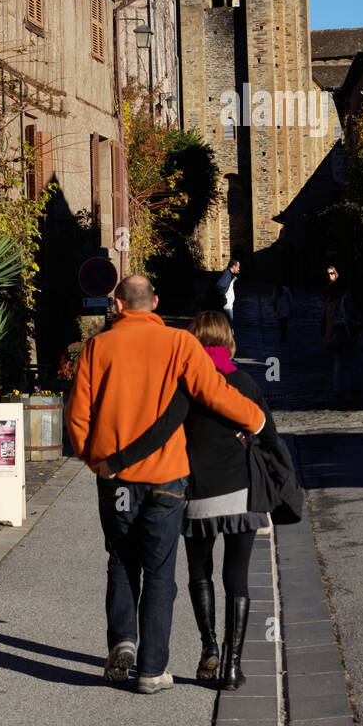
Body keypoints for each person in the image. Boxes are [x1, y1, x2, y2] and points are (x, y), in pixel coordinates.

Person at [64, 274, 266, 696]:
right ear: (154, 303)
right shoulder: (179, 344)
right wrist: (256, 419)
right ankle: (152, 670)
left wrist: (93, 458)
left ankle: (123, 640)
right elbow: (213, 392)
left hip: (115, 478)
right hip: (167, 476)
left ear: (118, 305)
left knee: (120, 560)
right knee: (159, 573)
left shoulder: (97, 348)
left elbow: (77, 415)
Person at [102, 310, 282, 691]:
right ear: (229, 340)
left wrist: (120, 462)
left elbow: (162, 430)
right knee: (238, 580)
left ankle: (209, 649)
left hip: (197, 495)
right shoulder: (246, 382)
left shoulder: (184, 388)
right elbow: (269, 435)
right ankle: (233, 667)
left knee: (200, 574)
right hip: (241, 496)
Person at [320, 264, 360, 404]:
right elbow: (351, 313)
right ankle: (350, 387)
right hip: (344, 332)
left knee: (338, 362)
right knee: (349, 361)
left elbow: (324, 318)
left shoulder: (330, 298)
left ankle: (338, 389)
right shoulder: (345, 297)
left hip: (332, 333)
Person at [216, 256, 240, 328]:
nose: (239, 269)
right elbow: (220, 286)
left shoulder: (229, 274)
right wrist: (224, 300)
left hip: (228, 306)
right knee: (230, 328)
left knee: (228, 327)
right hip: (227, 307)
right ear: (233, 266)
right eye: (238, 267)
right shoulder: (227, 275)